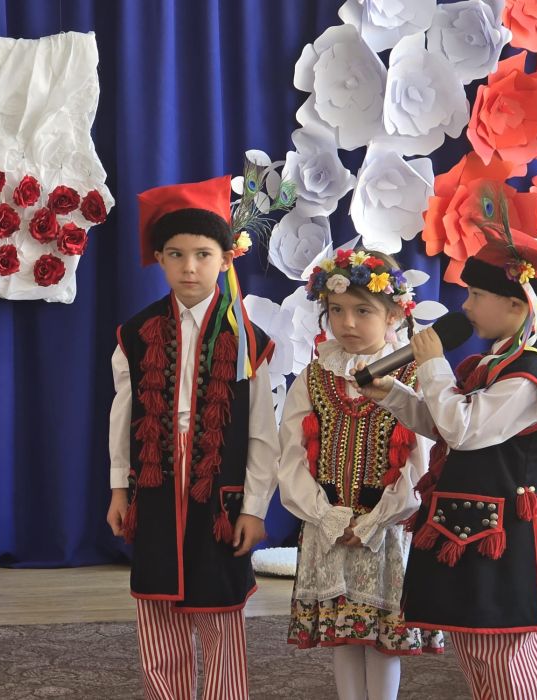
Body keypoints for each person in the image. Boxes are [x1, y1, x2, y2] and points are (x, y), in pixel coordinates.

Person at [360, 229, 537, 699]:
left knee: (503, 650)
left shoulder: (527, 376)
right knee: (474, 645)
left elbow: (463, 429)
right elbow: (445, 422)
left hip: (502, 537)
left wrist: (433, 364)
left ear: (516, 305)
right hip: (468, 527)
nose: (465, 306)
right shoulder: (491, 363)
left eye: (475, 295)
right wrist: (393, 393)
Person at [106, 176, 279, 699]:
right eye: (176, 255)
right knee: (158, 609)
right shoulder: (135, 334)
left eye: (202, 255)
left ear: (225, 259)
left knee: (220, 611)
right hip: (156, 486)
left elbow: (262, 433)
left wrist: (254, 507)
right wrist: (119, 488)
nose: (189, 267)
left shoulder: (248, 339)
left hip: (218, 494)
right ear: (159, 259)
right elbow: (123, 415)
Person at [278, 248, 443, 700]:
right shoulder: (314, 377)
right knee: (343, 634)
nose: (347, 322)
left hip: (386, 531)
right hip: (328, 527)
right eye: (336, 310)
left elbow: (421, 463)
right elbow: (290, 457)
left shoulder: (412, 376)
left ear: (394, 314)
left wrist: (375, 521)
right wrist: (326, 516)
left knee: (382, 641)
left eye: (362, 311)